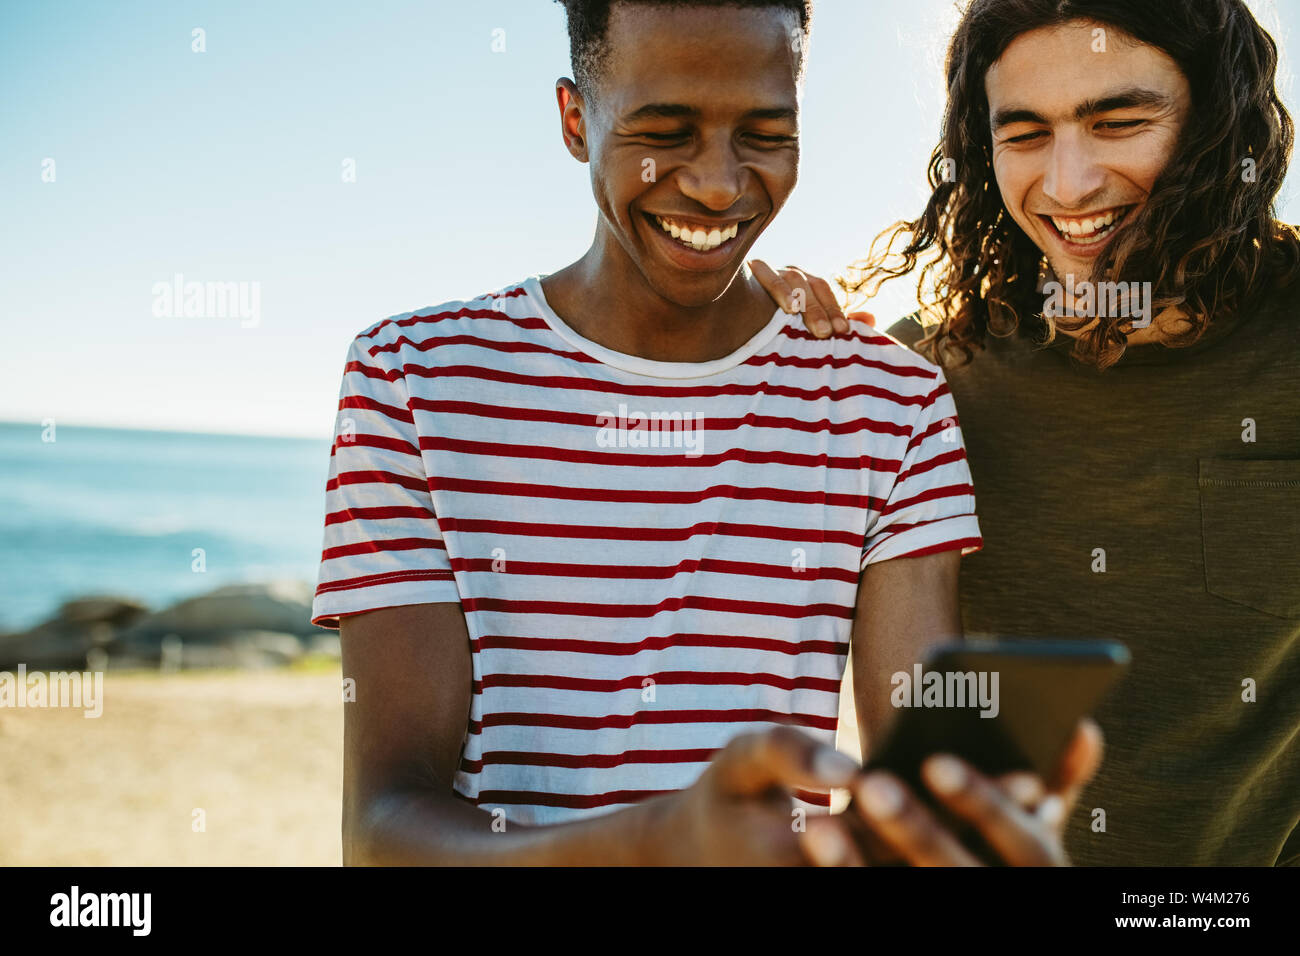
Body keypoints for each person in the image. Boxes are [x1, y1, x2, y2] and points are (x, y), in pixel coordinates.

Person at [310, 0, 1098, 865]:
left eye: (765, 132)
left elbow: (910, 795)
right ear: (576, 121)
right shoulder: (412, 379)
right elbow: (381, 831)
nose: (720, 184)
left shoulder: (888, 401)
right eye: (667, 130)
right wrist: (658, 843)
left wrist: (956, 834)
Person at [754, 0, 1300, 865]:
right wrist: (750, 345)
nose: (1071, 183)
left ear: (1217, 117)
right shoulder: (924, 383)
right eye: (1026, 133)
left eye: (1119, 121)